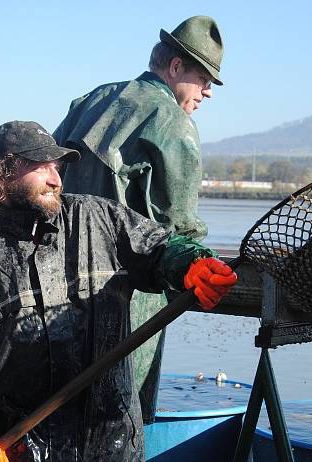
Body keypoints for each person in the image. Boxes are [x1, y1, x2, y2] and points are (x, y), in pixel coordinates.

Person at [0, 120, 237, 462]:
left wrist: (192, 264)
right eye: (42, 167)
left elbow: (160, 249)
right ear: (5, 172)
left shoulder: (98, 218)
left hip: (109, 450)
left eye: (57, 166)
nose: (55, 177)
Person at [53, 15, 225, 422]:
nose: (207, 93)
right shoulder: (174, 123)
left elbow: (49, 175)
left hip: (58, 285)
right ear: (176, 67)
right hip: (130, 301)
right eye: (203, 79)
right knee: (120, 424)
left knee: (58, 419)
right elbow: (180, 228)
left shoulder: (91, 100)